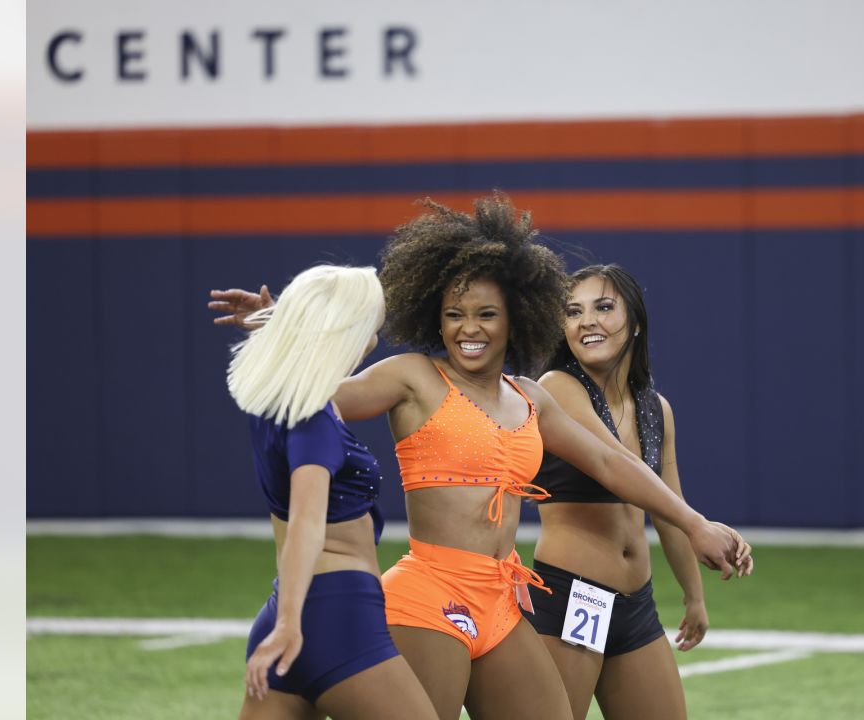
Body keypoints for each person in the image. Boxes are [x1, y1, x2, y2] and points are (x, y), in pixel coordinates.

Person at [210, 193, 752, 720]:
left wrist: (694, 522)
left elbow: (613, 465)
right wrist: (284, 330)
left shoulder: (530, 396)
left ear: (516, 317)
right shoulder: (412, 377)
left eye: (486, 314)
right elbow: (311, 396)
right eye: (454, 314)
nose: (469, 329)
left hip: (504, 600)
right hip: (428, 597)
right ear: (435, 318)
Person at [526, 264, 752, 719]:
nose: (586, 320)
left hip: (636, 606)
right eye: (573, 312)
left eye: (604, 307)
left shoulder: (655, 407)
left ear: (635, 323)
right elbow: (615, 467)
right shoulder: (556, 388)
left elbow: (669, 507)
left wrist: (694, 596)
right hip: (574, 596)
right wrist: (700, 525)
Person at [225, 265, 438, 720]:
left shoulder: (274, 395)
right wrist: (289, 624)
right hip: (334, 617)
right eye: (370, 330)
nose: (371, 343)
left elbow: (294, 349)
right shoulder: (313, 414)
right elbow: (306, 522)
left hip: (292, 610)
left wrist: (273, 321)